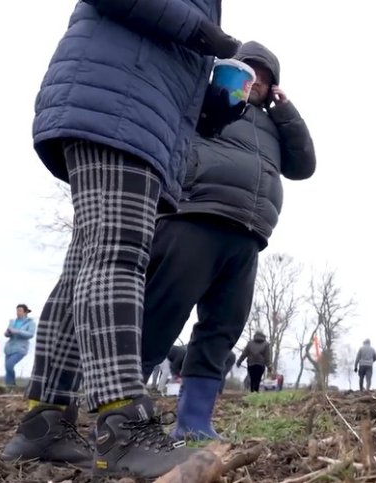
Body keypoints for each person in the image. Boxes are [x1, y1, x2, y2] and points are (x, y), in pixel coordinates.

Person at [1, 0, 245, 477]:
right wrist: (203, 33)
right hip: (116, 105)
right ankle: (122, 426)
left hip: (134, 111)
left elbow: (166, 60)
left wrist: (214, 102)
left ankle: (45, 420)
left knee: (87, 263)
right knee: (118, 253)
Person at [138, 40, 315, 440]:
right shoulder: (204, 101)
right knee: (161, 316)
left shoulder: (274, 125)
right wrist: (216, 87)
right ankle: (123, 414)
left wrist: (286, 111)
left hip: (248, 233)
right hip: (194, 216)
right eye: (250, 72)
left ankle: (194, 422)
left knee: (222, 328)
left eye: (266, 79)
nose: (257, 82)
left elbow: (304, 165)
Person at [3, 304, 36, 387]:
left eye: (20, 310)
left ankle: (11, 385)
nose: (18, 312)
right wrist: (8, 332)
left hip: (21, 349)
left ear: (25, 312)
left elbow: (31, 334)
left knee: (9, 365)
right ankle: (8, 387)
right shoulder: (12, 321)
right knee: (7, 368)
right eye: (17, 310)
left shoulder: (31, 323)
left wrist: (17, 331)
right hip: (9, 348)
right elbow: (7, 334)